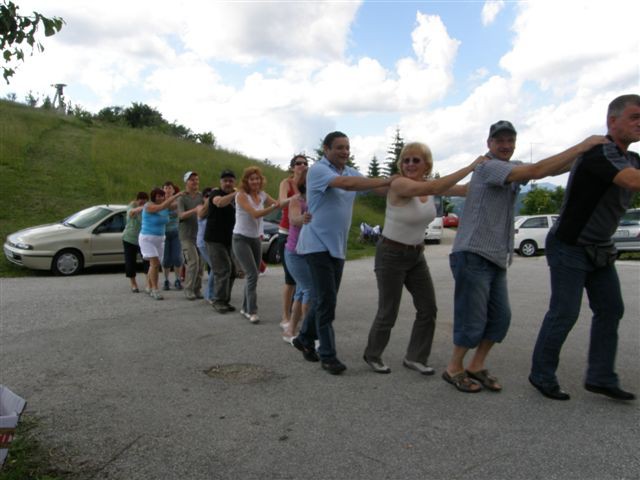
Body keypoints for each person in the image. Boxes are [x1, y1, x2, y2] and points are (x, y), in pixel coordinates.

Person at [442, 120, 606, 393]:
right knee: (472, 320)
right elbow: (537, 169)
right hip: (472, 254)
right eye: (499, 141)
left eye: (510, 140)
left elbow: (548, 169)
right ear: (489, 144)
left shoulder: (509, 165)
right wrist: (583, 145)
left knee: (500, 319)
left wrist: (585, 156)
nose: (505, 145)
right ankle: (453, 368)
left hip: (496, 256)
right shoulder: (487, 167)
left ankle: (476, 365)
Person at [529, 94, 640, 401]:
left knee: (611, 309)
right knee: (564, 312)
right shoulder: (599, 152)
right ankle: (541, 374)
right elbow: (631, 181)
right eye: (634, 116)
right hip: (570, 246)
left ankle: (601, 377)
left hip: (600, 248)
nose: (639, 122)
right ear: (612, 121)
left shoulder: (633, 158)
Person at [363, 143, 483, 374]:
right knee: (388, 311)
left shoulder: (428, 188)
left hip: (416, 255)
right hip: (391, 253)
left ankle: (416, 357)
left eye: (415, 160)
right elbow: (439, 185)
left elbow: (461, 190)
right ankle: (373, 354)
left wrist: (497, 176)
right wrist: (471, 166)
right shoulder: (399, 184)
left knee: (428, 308)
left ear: (426, 164)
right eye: (406, 160)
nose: (409, 164)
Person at [291, 131, 394, 375]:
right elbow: (347, 185)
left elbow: (372, 188)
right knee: (327, 300)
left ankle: (304, 337)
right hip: (315, 244)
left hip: (336, 247)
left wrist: (400, 185)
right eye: (339, 147)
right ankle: (328, 355)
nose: (345, 152)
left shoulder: (350, 171)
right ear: (326, 149)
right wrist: (384, 179)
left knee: (323, 299)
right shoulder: (318, 170)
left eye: (347, 147)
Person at [232, 166, 293, 323]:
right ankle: (252, 311)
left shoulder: (262, 194)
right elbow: (255, 214)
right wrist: (272, 207)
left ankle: (245, 308)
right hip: (240, 238)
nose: (255, 181)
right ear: (246, 181)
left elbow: (279, 204)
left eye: (257, 178)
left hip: (256, 238)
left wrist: (292, 198)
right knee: (252, 273)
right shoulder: (241, 195)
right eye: (252, 179)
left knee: (254, 274)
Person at [277, 155, 309, 331]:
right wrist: (297, 197)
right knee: (291, 279)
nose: (302, 166)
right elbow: (280, 202)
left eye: (305, 163)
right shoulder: (287, 183)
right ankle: (285, 315)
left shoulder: (309, 185)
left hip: (306, 235)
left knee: (302, 280)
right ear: (292, 167)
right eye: (298, 163)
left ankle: (301, 313)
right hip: (287, 232)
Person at [202, 170, 239, 314]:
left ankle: (224, 300)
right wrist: (236, 193)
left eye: (231, 180)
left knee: (232, 270)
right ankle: (218, 300)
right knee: (223, 269)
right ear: (220, 182)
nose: (228, 183)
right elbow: (219, 203)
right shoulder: (215, 193)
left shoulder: (236, 196)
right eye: (225, 181)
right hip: (214, 239)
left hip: (229, 238)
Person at [139, 187, 183, 300]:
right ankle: (155, 289)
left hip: (160, 239)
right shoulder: (148, 206)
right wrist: (177, 195)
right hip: (147, 239)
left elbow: (176, 205)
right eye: (158, 196)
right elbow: (161, 207)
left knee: (154, 265)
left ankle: (149, 286)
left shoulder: (166, 206)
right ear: (153, 197)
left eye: (162, 196)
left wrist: (187, 195)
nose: (161, 198)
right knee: (155, 264)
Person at [282, 183, 312, 343]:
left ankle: (291, 330)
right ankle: (309, 334)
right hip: (295, 253)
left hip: (310, 252)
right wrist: (304, 218)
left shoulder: (316, 199)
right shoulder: (296, 200)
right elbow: (294, 220)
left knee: (301, 291)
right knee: (310, 289)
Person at [177, 171, 204, 300]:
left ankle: (197, 289)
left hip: (199, 235)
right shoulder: (182, 197)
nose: (195, 182)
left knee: (201, 264)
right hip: (186, 235)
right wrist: (195, 210)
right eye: (192, 180)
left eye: (196, 179)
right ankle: (188, 289)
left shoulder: (201, 196)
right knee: (193, 262)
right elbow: (181, 215)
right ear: (186, 182)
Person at [122, 191, 149, 293]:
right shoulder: (131, 206)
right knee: (130, 262)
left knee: (147, 261)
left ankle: (148, 283)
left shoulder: (147, 208)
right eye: (141, 200)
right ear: (137, 200)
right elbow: (132, 213)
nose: (143, 202)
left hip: (144, 239)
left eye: (145, 200)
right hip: (129, 239)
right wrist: (144, 207)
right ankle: (133, 284)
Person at [161, 181, 183, 291]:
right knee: (165, 259)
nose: (168, 190)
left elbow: (176, 207)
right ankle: (166, 280)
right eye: (165, 188)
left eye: (170, 188)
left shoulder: (178, 201)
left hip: (176, 232)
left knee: (177, 257)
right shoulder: (160, 202)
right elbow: (165, 207)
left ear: (174, 190)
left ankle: (178, 279)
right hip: (163, 233)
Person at [197, 187, 214, 304]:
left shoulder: (215, 208)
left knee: (216, 268)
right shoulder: (200, 207)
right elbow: (201, 214)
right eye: (207, 195)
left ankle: (213, 293)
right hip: (202, 242)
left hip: (214, 242)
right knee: (216, 267)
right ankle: (210, 294)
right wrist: (211, 198)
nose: (209, 197)